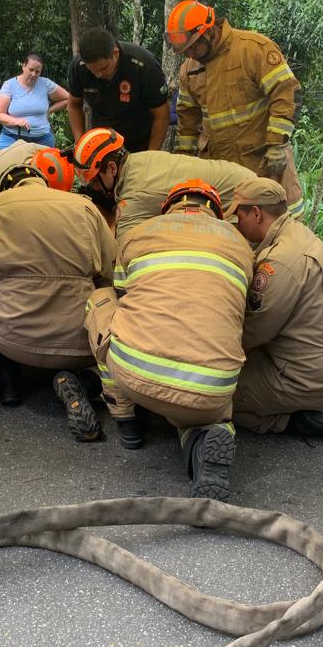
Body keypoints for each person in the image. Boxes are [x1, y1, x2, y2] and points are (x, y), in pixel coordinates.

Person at [85, 180, 253, 500]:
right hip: (211, 388)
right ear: (216, 212)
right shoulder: (241, 245)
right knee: (203, 411)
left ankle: (125, 420)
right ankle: (206, 434)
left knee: (102, 300)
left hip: (136, 375)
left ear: (169, 206)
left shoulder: (140, 232)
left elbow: (122, 293)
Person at [0, 162, 116, 439]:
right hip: (81, 343)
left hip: (12, 340)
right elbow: (108, 268)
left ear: (6, 187)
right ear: (45, 184)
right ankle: (86, 381)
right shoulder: (83, 205)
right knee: (104, 291)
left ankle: (7, 378)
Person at [227, 178, 323, 438]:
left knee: (212, 393)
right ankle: (307, 403)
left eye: (238, 216)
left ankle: (292, 420)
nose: (237, 223)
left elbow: (253, 332)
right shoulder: (300, 235)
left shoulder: (280, 262)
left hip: (312, 379)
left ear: (256, 213)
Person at [165, 0, 304, 218]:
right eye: (185, 50)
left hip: (264, 163)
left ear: (208, 32)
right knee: (231, 234)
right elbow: (187, 120)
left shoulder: (253, 49)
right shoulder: (189, 70)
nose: (189, 53)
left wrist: (277, 144)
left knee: (278, 229)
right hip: (220, 172)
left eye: (193, 46)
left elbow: (286, 93)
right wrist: (184, 162)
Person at [71, 126, 255, 241]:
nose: (93, 187)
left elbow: (122, 249)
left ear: (112, 168)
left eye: (94, 179)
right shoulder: (139, 160)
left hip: (243, 203)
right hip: (242, 179)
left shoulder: (136, 192)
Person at [67, 28, 169, 152]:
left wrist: (152, 154)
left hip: (140, 141)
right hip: (102, 142)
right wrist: (80, 143)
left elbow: (162, 115)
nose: (98, 75)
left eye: (103, 68)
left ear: (115, 53)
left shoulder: (145, 66)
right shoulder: (78, 67)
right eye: (92, 71)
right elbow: (73, 105)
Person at [0, 52, 69, 150]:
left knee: (48, 163)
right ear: (23, 66)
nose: (34, 74)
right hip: (12, 137)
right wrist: (16, 121)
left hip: (42, 138)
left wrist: (50, 110)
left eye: (37, 72)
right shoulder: (9, 85)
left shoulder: (45, 83)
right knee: (2, 162)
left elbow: (68, 98)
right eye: (31, 70)